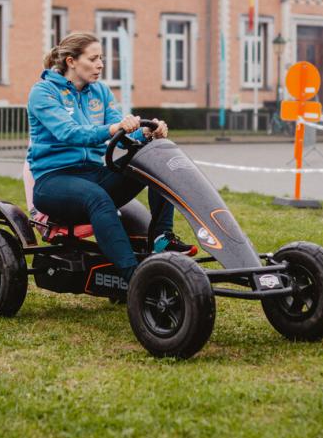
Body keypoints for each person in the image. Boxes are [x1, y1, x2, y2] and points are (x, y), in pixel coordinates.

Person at [26, 32, 196, 284]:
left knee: (154, 166)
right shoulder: (43, 92)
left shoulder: (100, 92)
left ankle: (162, 239)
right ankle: (134, 276)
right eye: (93, 59)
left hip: (93, 174)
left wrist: (147, 130)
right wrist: (113, 129)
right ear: (71, 61)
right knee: (97, 198)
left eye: (101, 59)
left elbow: (121, 126)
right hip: (54, 181)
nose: (100, 65)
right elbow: (69, 132)